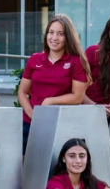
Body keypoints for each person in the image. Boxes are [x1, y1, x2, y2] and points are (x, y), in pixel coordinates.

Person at [17, 15, 90, 154]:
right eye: (51, 32)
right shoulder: (34, 59)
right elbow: (22, 92)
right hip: (31, 123)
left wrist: (49, 101)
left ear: (67, 37)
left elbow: (77, 97)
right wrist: (31, 114)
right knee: (24, 169)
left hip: (61, 124)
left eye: (60, 34)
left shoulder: (76, 62)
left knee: (55, 167)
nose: (54, 37)